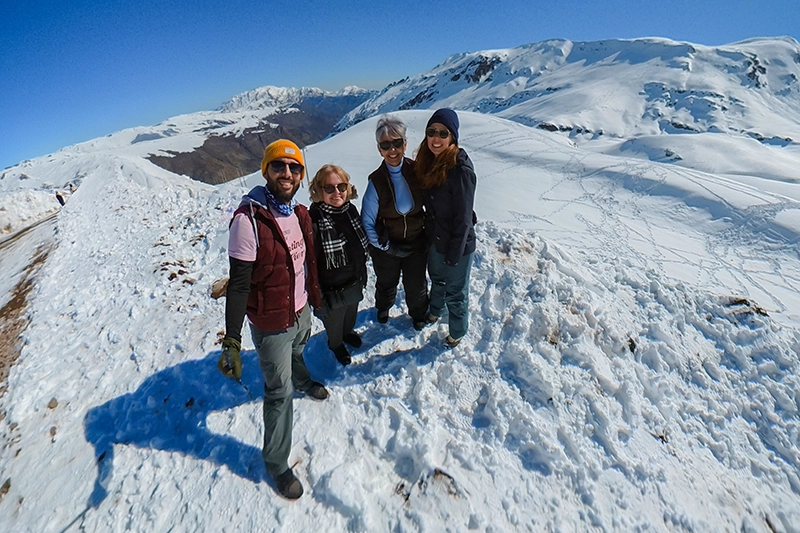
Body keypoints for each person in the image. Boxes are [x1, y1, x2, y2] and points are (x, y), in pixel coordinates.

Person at [217, 139, 328, 500]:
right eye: (279, 166)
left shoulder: (298, 213)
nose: (287, 173)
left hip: (300, 309)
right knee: (279, 392)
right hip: (270, 321)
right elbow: (239, 285)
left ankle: (303, 378)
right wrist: (232, 339)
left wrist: (314, 298)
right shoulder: (248, 220)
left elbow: (304, 263)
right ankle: (277, 463)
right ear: (266, 170)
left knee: (298, 348)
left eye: (295, 168)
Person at [361, 115, 431, 330]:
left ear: (405, 144)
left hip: (416, 242)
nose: (392, 150)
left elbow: (434, 199)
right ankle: (383, 306)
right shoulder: (376, 182)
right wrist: (387, 248)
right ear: (379, 149)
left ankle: (418, 312)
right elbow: (367, 222)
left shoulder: (417, 171)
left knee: (416, 283)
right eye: (385, 145)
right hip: (387, 246)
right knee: (386, 281)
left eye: (397, 143)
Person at [415, 109, 477, 348]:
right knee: (437, 279)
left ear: (453, 137)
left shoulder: (461, 171)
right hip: (436, 238)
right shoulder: (428, 161)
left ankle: (457, 332)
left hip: (457, 244)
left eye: (443, 133)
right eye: (431, 132)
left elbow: (463, 219)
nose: (436, 138)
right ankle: (435, 311)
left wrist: (454, 254)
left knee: (456, 291)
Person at [308, 164, 369, 366]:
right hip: (331, 291)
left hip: (354, 281)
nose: (337, 193)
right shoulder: (314, 221)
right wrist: (318, 298)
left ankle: (347, 332)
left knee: (350, 315)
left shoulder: (350, 211)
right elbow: (311, 265)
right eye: (329, 188)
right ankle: (335, 344)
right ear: (319, 190)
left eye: (341, 187)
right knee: (334, 323)